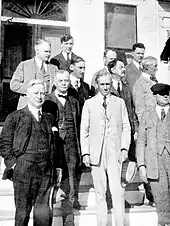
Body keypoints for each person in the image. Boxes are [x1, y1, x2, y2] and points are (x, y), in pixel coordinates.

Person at [0, 79, 58, 226]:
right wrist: (13, 165)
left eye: (42, 93)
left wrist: (55, 167)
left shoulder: (49, 118)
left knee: (43, 214)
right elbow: (4, 144)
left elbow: (54, 145)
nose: (39, 96)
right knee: (22, 213)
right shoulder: (15, 117)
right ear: (27, 95)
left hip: (46, 173)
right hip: (24, 171)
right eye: (35, 93)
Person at [80, 71, 131, 226]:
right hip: (96, 153)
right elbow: (84, 130)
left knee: (117, 191)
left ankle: (119, 223)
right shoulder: (89, 103)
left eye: (108, 84)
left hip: (114, 152)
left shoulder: (119, 102)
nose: (105, 87)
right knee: (100, 192)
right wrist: (86, 153)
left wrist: (124, 149)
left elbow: (126, 127)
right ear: (97, 85)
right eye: (102, 84)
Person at [43, 70, 82, 224]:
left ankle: (69, 221)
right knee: (52, 186)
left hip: (72, 148)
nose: (64, 84)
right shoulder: (48, 101)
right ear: (54, 82)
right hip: (55, 149)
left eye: (66, 81)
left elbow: (78, 125)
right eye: (61, 81)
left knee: (70, 185)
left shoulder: (74, 101)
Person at [136, 83, 170, 226]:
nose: (166, 96)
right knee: (160, 199)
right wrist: (142, 166)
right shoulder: (147, 114)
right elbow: (141, 142)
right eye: (162, 94)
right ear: (155, 96)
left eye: (168, 94)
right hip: (154, 163)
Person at [10, 39, 58, 110]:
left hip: (47, 108)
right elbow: (14, 85)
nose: (48, 54)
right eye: (46, 51)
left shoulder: (54, 68)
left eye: (49, 52)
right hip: (26, 107)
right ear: (37, 50)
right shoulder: (24, 65)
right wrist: (31, 88)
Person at [108, 59, 138, 162]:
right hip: (112, 132)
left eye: (124, 67)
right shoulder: (106, 87)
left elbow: (132, 109)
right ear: (112, 70)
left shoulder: (127, 88)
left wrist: (135, 130)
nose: (124, 69)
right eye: (121, 67)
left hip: (127, 130)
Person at [133, 56, 158, 123]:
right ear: (147, 67)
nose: (156, 69)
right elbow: (139, 108)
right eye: (155, 66)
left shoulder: (154, 81)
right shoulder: (140, 84)